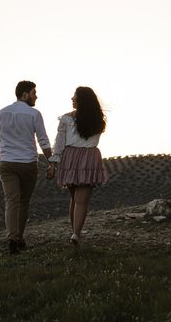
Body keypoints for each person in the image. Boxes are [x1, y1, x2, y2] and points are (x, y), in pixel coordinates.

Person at [0, 80, 52, 254]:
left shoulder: (1, 113)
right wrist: (52, 162)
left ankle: (12, 239)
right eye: (34, 93)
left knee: (11, 202)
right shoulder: (34, 114)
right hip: (27, 164)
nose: (36, 96)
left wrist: (4, 154)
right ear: (25, 94)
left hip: (7, 164)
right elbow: (43, 140)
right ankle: (18, 238)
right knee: (23, 202)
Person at [48, 86, 107, 246]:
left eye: (74, 97)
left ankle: (74, 232)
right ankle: (76, 233)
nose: (72, 99)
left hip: (70, 157)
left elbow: (59, 144)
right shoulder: (98, 120)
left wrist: (53, 163)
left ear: (81, 100)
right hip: (89, 157)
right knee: (81, 200)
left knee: (74, 198)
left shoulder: (66, 119)